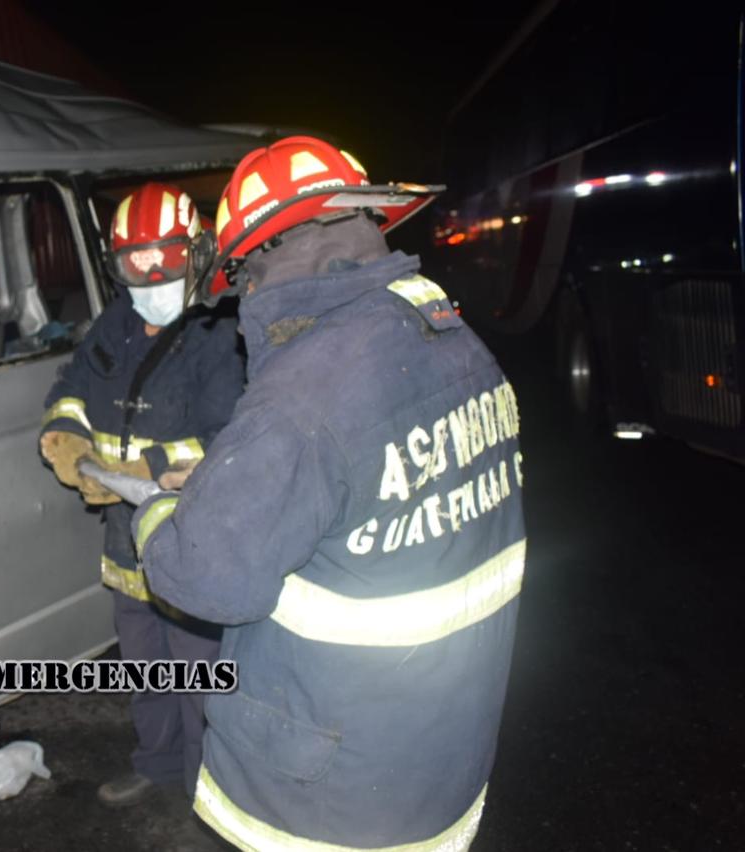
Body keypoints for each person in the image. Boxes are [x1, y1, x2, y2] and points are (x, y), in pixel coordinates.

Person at [130, 137, 526, 850]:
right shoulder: (458, 345)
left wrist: (161, 512)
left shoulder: (302, 395)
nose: (244, 297)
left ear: (267, 257)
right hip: (436, 759)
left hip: (328, 792)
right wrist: (240, 482)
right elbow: (359, 481)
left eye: (243, 274)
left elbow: (205, 576)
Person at [39, 181, 245, 806]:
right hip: (126, 547)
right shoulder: (116, 323)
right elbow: (71, 387)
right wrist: (65, 432)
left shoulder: (224, 333)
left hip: (190, 543)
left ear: (197, 253)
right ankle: (156, 765)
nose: (152, 274)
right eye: (136, 261)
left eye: (166, 257)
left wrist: (139, 468)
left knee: (200, 676)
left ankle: (208, 786)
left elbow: (229, 439)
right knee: (147, 669)